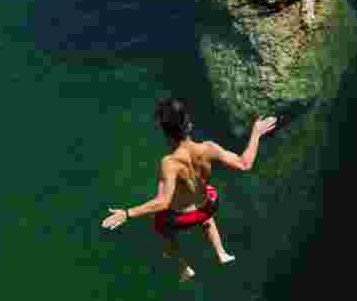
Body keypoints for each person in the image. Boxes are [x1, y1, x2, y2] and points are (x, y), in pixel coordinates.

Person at [101, 98, 278, 282]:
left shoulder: (170, 163)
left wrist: (127, 213)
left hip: (182, 218)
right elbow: (244, 163)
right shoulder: (209, 148)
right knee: (205, 201)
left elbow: (163, 202)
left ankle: (184, 267)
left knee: (160, 225)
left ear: (166, 134)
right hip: (209, 205)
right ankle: (221, 253)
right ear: (189, 125)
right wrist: (256, 133)